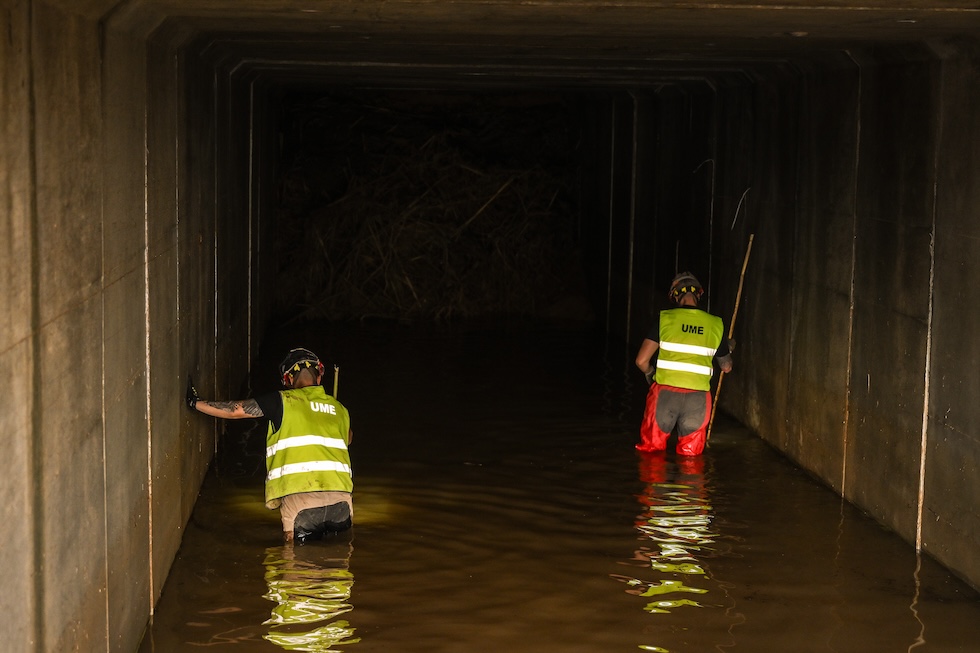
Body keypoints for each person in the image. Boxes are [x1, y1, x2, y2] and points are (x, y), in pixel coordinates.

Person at [186, 347, 353, 544]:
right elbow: (347, 438)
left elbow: (235, 410)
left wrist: (195, 402)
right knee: (339, 562)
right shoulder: (340, 410)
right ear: (319, 377)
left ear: (289, 380)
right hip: (342, 501)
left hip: (302, 502)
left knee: (295, 565)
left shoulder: (283, 401)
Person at [634, 272, 733, 456]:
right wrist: (727, 345)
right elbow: (726, 367)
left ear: (675, 295)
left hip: (664, 395)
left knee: (651, 454)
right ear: (699, 294)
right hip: (698, 399)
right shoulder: (715, 325)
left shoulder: (665, 319)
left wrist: (650, 373)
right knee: (691, 460)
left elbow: (641, 361)